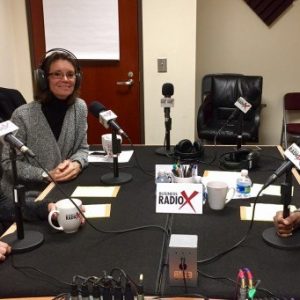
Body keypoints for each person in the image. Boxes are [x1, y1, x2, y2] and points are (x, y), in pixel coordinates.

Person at [0, 48, 89, 223]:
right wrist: (45, 174)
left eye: (70, 74)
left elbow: (83, 148)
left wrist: (77, 164)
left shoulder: (80, 108)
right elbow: (8, 163)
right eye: (57, 74)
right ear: (43, 79)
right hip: (26, 199)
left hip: (61, 189)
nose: (65, 79)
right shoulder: (22, 115)